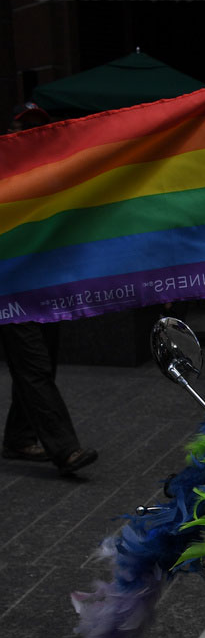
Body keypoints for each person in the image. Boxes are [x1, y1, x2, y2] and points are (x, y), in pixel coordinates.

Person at [1, 102, 97, 475]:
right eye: (22, 128)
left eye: (37, 129)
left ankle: (18, 438)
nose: (27, 135)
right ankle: (65, 449)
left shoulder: (53, 178)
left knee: (42, 365)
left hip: (45, 287)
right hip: (9, 290)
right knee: (34, 366)